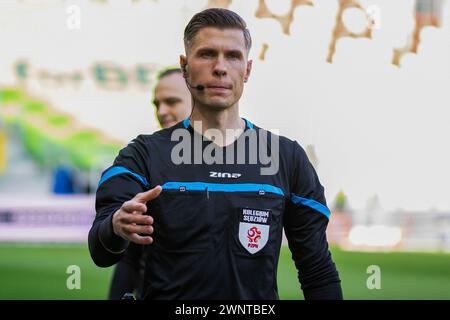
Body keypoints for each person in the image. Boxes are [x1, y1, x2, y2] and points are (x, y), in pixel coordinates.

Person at [89, 8, 343, 300]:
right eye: (207, 54)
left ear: (247, 69)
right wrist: (114, 226)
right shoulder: (143, 155)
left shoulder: (286, 157)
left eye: (233, 56)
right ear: (185, 66)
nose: (220, 67)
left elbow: (317, 270)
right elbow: (101, 252)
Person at [107, 68, 192, 299]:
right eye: (157, 104)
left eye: (171, 102)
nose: (162, 111)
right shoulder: (146, 162)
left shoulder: (242, 161)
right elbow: (130, 258)